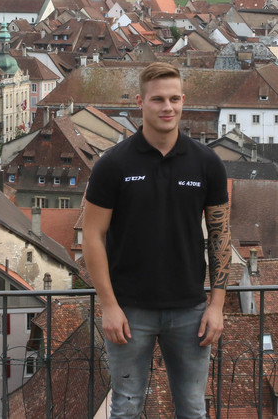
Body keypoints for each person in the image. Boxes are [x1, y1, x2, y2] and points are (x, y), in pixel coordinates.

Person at [83, 62, 231, 418]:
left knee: (193, 408)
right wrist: (108, 305)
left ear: (183, 101)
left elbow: (220, 236)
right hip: (129, 310)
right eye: (159, 99)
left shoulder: (207, 163)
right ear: (140, 102)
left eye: (175, 99)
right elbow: (92, 235)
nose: (168, 107)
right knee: (126, 407)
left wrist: (216, 305)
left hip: (190, 310)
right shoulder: (113, 164)